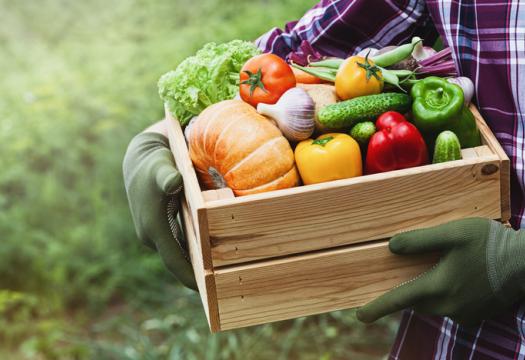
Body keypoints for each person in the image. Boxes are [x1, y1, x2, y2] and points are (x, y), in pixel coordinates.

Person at [123, 0, 525, 358]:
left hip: (485, 267)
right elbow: (316, 43)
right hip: (471, 322)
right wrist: (162, 136)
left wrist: (518, 258)